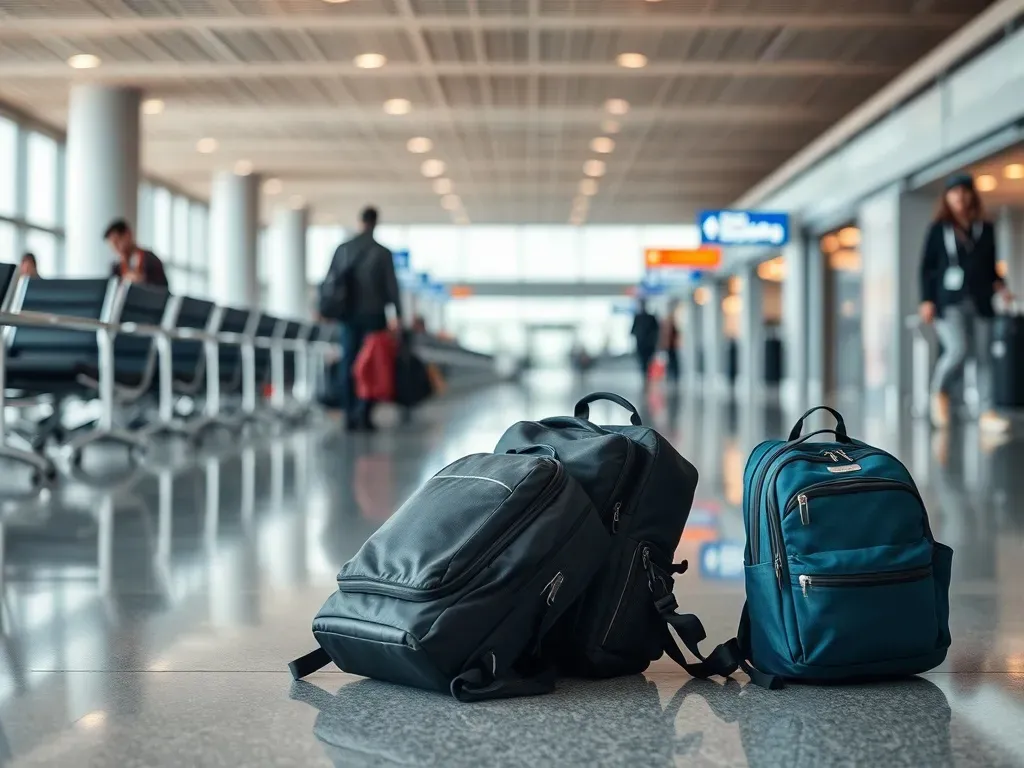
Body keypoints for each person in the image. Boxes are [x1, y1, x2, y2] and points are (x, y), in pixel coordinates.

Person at [919, 173, 1012, 433]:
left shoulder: (986, 228)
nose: (959, 197)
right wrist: (926, 299)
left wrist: (1002, 287)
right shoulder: (938, 230)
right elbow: (927, 268)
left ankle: (986, 412)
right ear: (947, 198)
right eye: (954, 192)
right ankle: (939, 391)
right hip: (949, 303)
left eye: (964, 191)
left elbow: (991, 267)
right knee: (958, 349)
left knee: (984, 357)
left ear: (972, 195)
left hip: (981, 301)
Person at [326, 206, 401, 431]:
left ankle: (349, 413)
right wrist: (397, 316)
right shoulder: (382, 252)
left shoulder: (343, 249)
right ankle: (365, 414)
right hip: (374, 316)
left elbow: (330, 281)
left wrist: (326, 309)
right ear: (376, 222)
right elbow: (391, 287)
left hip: (347, 315)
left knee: (349, 362)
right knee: (372, 365)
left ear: (360, 221)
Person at [103, 219, 169, 290]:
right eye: (112, 246)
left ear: (127, 234)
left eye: (117, 242)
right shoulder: (116, 267)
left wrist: (143, 282)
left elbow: (163, 289)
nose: (116, 248)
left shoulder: (151, 260)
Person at [631, 300, 659, 388]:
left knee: (647, 362)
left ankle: (647, 376)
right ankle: (645, 376)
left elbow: (656, 331)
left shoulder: (651, 317)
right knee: (643, 362)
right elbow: (632, 331)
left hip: (648, 345)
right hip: (642, 344)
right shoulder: (638, 317)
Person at [660, 299, 681, 383]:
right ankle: (672, 375)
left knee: (673, 361)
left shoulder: (670, 320)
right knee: (671, 361)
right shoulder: (668, 320)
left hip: (671, 345)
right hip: (669, 345)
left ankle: (674, 375)